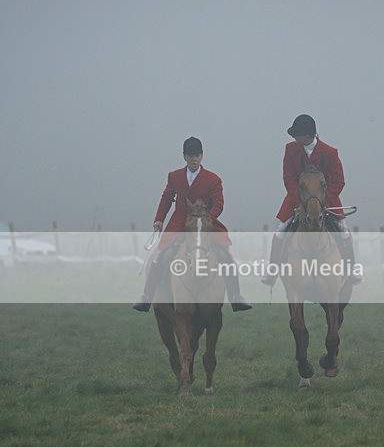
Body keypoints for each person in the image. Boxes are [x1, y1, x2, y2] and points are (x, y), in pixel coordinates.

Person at [133, 137, 251, 312]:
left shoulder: (213, 179)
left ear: (201, 156)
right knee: (162, 256)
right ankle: (146, 296)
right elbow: (167, 198)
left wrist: (205, 219)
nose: (194, 159)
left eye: (197, 156)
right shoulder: (174, 176)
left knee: (225, 256)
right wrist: (159, 219)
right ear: (184, 157)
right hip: (180, 224)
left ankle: (236, 297)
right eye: (190, 156)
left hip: (206, 225)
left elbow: (219, 204)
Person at [262, 114, 361, 286]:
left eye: (297, 135)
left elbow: (339, 181)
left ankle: (352, 269)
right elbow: (288, 178)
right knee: (280, 231)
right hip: (296, 201)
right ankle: (273, 271)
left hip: (327, 202)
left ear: (308, 135)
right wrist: (299, 204)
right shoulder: (290, 149)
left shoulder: (330, 152)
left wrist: (323, 204)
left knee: (343, 231)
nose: (294, 138)